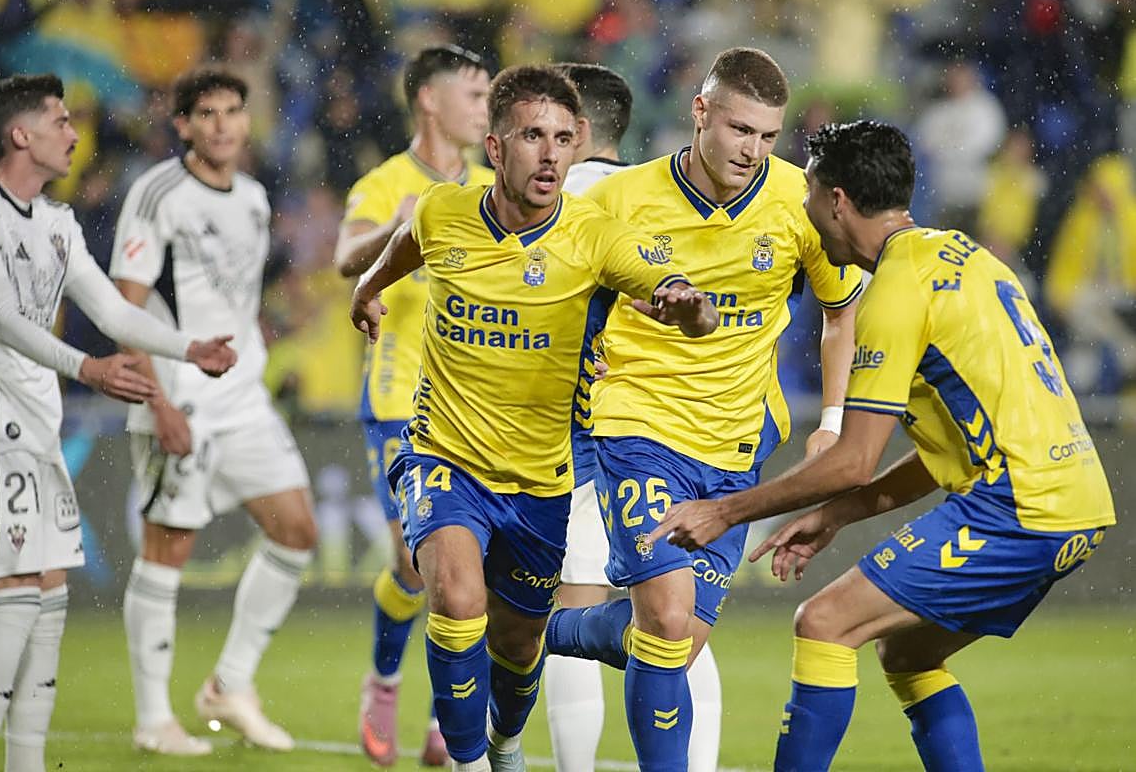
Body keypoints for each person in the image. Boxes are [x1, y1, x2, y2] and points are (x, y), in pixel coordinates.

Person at [651, 120, 1117, 772]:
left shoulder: (895, 292)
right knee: (908, 655)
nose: (807, 214)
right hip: (1077, 503)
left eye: (809, 195)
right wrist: (837, 515)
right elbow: (946, 446)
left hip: (1017, 506)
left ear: (836, 200)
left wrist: (721, 511)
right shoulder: (967, 259)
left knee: (822, 622)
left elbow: (850, 459)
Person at [349, 64, 719, 772]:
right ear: (494, 147)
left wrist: (690, 307)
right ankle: (464, 764)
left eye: (560, 138)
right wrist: (368, 288)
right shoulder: (442, 211)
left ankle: (504, 742)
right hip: (443, 456)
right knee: (456, 601)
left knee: (518, 648)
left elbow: (668, 284)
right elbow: (407, 246)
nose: (549, 154)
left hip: (540, 480)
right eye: (530, 137)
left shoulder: (597, 236)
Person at [543, 47, 862, 772]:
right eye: (738, 129)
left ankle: (536, 628)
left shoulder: (799, 200)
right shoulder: (619, 200)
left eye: (766, 136)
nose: (751, 150)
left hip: (736, 445)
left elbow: (840, 313)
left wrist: (833, 422)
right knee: (661, 617)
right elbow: (560, 289)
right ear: (699, 113)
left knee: (675, 641)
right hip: (636, 428)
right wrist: (578, 348)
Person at [0, 73, 236, 772]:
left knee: (47, 599)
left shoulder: (55, 220)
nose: (75, 133)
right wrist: (89, 369)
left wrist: (185, 347)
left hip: (37, 427)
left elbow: (112, 312)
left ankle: (28, 763)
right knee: (14, 597)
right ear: (22, 134)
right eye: (61, 120)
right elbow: (1, 320)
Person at [110, 67, 318, 756]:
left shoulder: (255, 199)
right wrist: (159, 401)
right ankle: (150, 719)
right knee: (168, 550)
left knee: (296, 531)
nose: (224, 124)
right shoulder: (157, 192)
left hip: (244, 400)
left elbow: (233, 300)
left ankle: (229, 683)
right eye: (208, 113)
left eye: (234, 110)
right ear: (183, 125)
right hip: (183, 400)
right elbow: (125, 308)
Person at [543, 61, 722, 772]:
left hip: (586, 439)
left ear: (575, 128)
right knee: (674, 615)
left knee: (571, 606)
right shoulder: (662, 198)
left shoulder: (556, 208)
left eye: (546, 125)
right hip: (687, 434)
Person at [335, 44, 493, 768]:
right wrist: (393, 228)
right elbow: (345, 260)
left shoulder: (494, 185)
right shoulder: (385, 183)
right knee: (413, 555)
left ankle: (442, 713)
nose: (484, 105)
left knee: (463, 567)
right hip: (401, 400)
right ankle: (385, 679)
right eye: (472, 91)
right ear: (428, 100)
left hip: (482, 404)